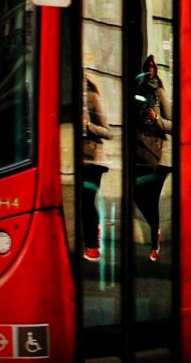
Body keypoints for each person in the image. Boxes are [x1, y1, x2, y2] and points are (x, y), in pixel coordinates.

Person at [132, 55, 172, 261]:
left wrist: (157, 120)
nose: (150, 70)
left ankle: (155, 243)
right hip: (143, 155)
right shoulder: (138, 91)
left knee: (152, 198)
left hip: (161, 157)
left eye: (153, 67)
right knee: (138, 194)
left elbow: (176, 125)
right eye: (147, 66)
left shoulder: (160, 92)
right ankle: (156, 230)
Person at [82, 75, 112, 262]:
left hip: (93, 162)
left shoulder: (92, 97)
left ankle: (92, 247)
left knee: (86, 202)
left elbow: (108, 132)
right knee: (83, 203)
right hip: (73, 161)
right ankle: (92, 237)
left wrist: (87, 125)